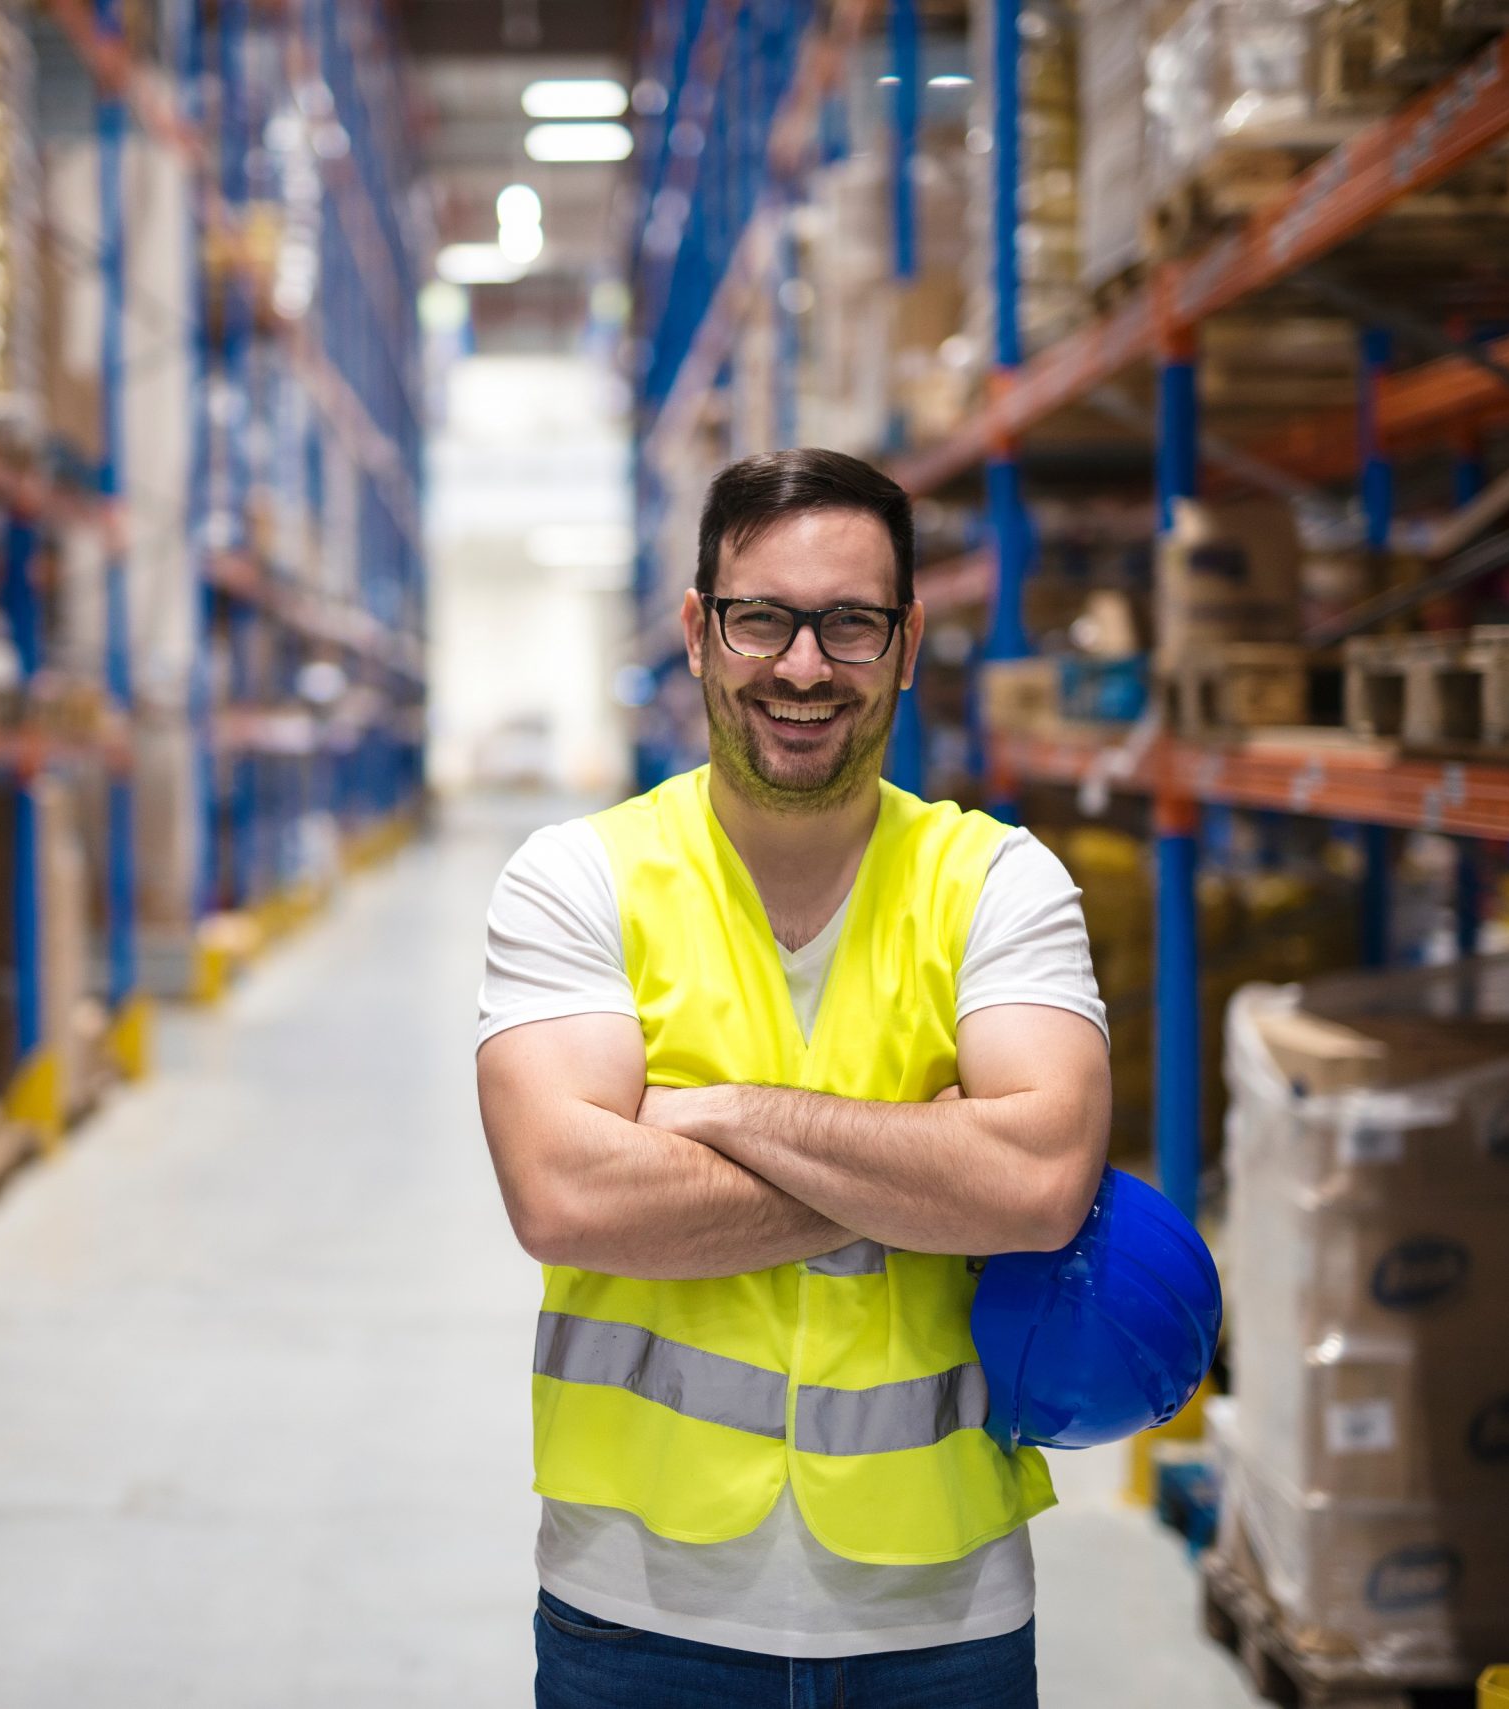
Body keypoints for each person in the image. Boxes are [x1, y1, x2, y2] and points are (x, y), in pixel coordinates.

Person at [475, 448, 1112, 1708]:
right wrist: (930, 1162)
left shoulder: (997, 881)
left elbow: (1038, 1183)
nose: (805, 666)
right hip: (639, 1614)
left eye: (852, 623)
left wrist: (707, 1116)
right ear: (699, 634)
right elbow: (564, 1196)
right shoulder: (575, 879)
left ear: (909, 641)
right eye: (761, 617)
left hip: (941, 1611)